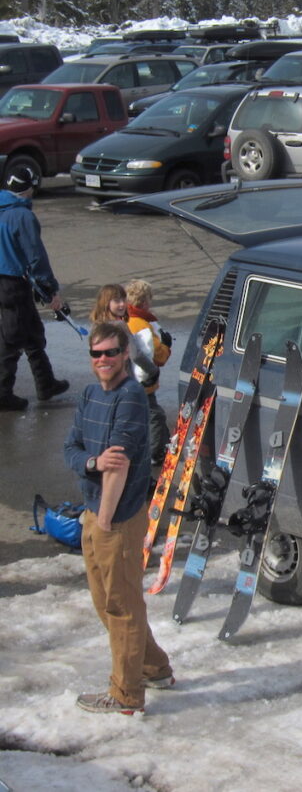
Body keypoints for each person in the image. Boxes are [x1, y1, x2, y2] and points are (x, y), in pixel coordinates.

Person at [64, 321, 174, 715]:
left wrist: (107, 519)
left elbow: (120, 466)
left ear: (125, 353)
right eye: (97, 354)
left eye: (111, 352)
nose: (104, 360)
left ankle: (126, 695)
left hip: (117, 517)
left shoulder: (130, 397)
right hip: (93, 513)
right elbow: (71, 449)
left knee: (121, 606)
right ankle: (154, 668)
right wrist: (90, 461)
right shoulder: (91, 394)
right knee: (105, 600)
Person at [0, 165, 69, 411]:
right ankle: (3, 393)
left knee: (31, 332)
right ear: (29, 188)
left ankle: (46, 383)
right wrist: (51, 291)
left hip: (9, 282)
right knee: (11, 339)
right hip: (12, 283)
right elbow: (36, 258)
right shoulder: (22, 216)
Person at [124, 279, 172, 465]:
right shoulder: (142, 325)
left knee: (143, 414)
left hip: (127, 380)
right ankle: (154, 453)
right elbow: (157, 355)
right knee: (155, 415)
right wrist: (166, 346)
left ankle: (164, 445)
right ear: (144, 302)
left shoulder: (125, 319)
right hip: (142, 382)